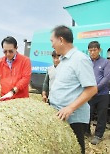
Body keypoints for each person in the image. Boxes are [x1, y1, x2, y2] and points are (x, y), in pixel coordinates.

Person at [49, 25, 97, 154]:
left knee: (75, 150)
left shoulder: (80, 59)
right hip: (60, 115)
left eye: (52, 41)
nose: (52, 45)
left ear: (61, 40)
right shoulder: (63, 61)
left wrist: (70, 108)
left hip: (73, 118)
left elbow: (92, 89)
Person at [86, 41, 110, 145]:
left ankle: (98, 135)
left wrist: (96, 88)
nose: (92, 52)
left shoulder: (106, 62)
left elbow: (107, 78)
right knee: (87, 113)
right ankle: (86, 132)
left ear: (99, 50)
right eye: (90, 50)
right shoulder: (87, 62)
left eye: (94, 50)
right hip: (89, 94)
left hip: (103, 94)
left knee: (101, 115)